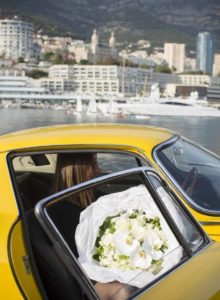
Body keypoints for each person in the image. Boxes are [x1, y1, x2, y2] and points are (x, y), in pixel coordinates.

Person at [51, 152, 131, 300]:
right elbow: (82, 263)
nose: (98, 171)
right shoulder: (59, 214)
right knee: (122, 291)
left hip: (106, 267)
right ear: (77, 170)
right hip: (89, 280)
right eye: (93, 165)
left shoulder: (95, 197)